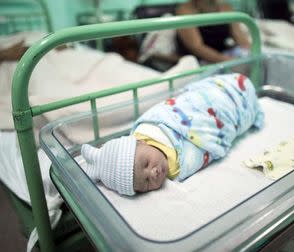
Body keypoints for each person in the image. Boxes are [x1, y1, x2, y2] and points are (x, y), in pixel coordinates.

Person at [81, 73, 264, 195]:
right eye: (145, 183)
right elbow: (207, 147)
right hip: (230, 118)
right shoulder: (177, 168)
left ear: (140, 142)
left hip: (211, 100)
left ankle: (236, 92)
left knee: (220, 94)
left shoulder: (151, 127)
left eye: (145, 163)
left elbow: (177, 108)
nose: (153, 173)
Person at [175, 0, 251, 63]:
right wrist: (229, 63)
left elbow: (241, 38)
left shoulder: (226, 8)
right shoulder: (184, 11)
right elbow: (197, 47)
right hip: (198, 64)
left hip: (224, 59)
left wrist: (252, 55)